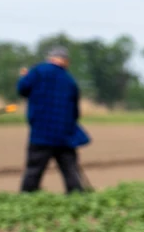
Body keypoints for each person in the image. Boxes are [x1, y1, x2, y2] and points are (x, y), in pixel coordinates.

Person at [17, 46, 90, 193]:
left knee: (34, 170)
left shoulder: (37, 71)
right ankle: (76, 197)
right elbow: (75, 111)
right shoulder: (70, 80)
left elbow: (22, 89)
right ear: (65, 61)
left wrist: (24, 76)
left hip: (41, 133)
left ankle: (27, 198)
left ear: (51, 57)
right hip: (65, 134)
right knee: (70, 171)